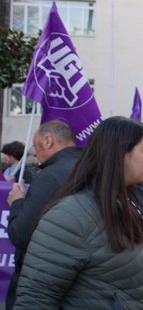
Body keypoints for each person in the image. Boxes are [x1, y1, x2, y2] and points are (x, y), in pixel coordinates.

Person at [13, 116, 143, 309]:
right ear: (120, 155)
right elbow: (35, 299)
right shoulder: (70, 217)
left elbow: (142, 255)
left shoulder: (126, 201)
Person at [5, 121, 80, 309]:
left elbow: (21, 234)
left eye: (35, 147)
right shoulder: (90, 169)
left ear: (47, 141)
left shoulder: (51, 175)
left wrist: (17, 202)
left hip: (43, 281)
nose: (35, 156)